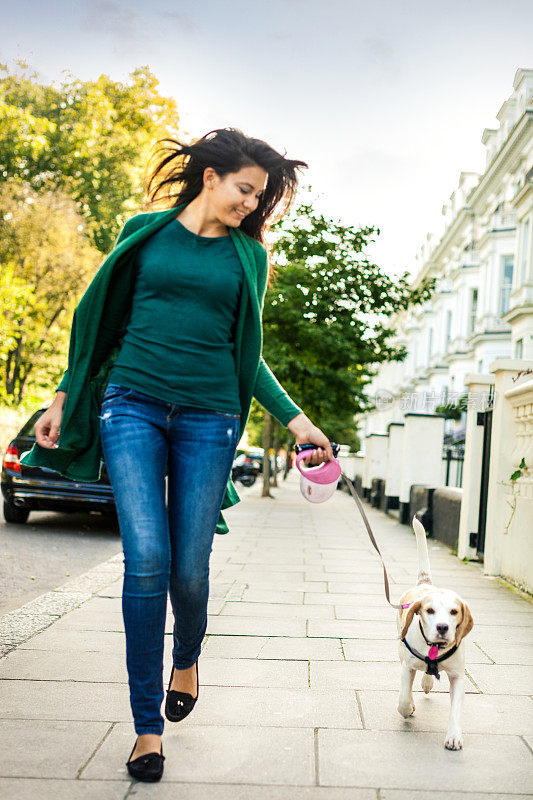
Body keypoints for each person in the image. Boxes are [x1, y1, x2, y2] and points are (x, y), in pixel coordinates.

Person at [31, 128, 333, 783]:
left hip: (210, 418)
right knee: (146, 560)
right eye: (244, 190)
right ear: (210, 177)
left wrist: (298, 420)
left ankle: (187, 656)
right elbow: (99, 324)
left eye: (260, 197)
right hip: (130, 403)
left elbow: (245, 354)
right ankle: (146, 729)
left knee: (188, 571)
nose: (250, 205)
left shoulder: (248, 258)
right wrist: (61, 395)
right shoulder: (144, 231)